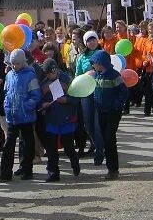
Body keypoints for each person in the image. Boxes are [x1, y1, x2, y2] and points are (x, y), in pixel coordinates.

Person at [0, 49, 40, 181]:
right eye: (13, 63)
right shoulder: (9, 75)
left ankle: (27, 169)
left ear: (23, 62)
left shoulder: (30, 75)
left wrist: (26, 106)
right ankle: (5, 173)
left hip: (26, 115)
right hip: (12, 115)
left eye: (17, 63)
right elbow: (6, 92)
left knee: (27, 144)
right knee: (9, 145)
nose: (15, 66)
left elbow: (36, 95)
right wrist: (7, 106)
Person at [37, 58, 79, 181]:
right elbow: (39, 99)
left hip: (67, 118)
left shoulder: (67, 80)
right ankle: (53, 172)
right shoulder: (43, 83)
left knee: (68, 146)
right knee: (51, 149)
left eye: (52, 73)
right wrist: (43, 104)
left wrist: (66, 100)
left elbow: (76, 99)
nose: (50, 76)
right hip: (51, 119)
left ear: (56, 70)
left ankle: (74, 162)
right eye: (48, 74)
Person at [90, 49, 128, 180]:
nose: (93, 65)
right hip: (100, 111)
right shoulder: (97, 75)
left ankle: (113, 169)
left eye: (94, 62)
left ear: (101, 63)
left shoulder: (114, 75)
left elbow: (123, 92)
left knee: (109, 139)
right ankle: (110, 168)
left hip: (112, 112)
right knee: (105, 139)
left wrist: (116, 105)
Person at [75, 31, 104, 163]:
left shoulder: (103, 54)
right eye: (88, 40)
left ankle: (99, 152)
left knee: (98, 123)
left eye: (93, 39)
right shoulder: (82, 57)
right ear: (85, 43)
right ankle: (96, 144)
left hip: (100, 91)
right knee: (88, 124)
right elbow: (77, 75)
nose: (91, 42)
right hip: (86, 93)